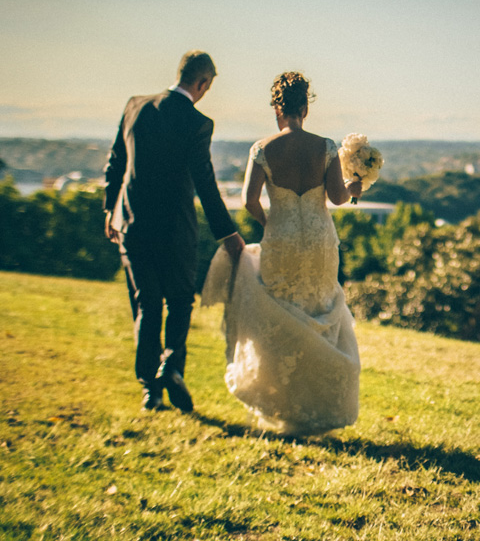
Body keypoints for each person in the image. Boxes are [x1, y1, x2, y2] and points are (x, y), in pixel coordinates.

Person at [200, 72, 361, 435]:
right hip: (321, 243)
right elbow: (337, 198)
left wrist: (270, 222)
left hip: (282, 239)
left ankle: (286, 410)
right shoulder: (325, 146)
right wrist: (355, 187)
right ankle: (318, 408)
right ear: (305, 107)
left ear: (277, 108)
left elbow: (248, 201)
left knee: (285, 315)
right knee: (319, 314)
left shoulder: (262, 149)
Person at [104, 51, 245, 412]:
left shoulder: (135, 106)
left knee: (146, 306)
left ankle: (150, 389)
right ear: (202, 83)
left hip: (132, 225)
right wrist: (227, 233)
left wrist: (110, 209)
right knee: (180, 301)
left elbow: (116, 161)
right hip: (175, 230)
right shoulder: (198, 123)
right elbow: (205, 182)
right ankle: (170, 367)